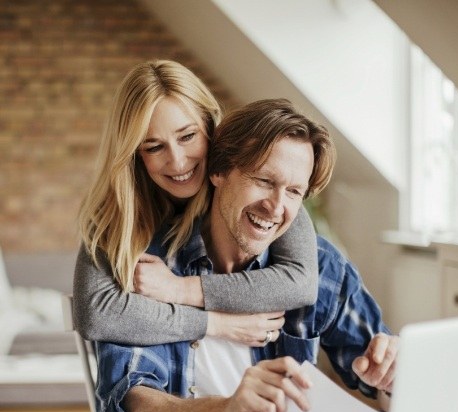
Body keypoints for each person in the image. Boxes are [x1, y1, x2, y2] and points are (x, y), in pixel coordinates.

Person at [96, 98, 397, 412]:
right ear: (218, 171)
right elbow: (135, 408)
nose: (276, 207)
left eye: (294, 191)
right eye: (264, 181)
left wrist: (392, 378)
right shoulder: (151, 269)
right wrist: (226, 410)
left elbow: (381, 379)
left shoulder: (321, 266)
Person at [73, 60, 325, 348]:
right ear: (134, 154)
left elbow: (300, 283)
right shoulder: (116, 211)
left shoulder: (252, 184)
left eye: (188, 136)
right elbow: (97, 314)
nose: (178, 162)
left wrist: (180, 290)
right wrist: (217, 324)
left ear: (209, 126)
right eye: (154, 147)